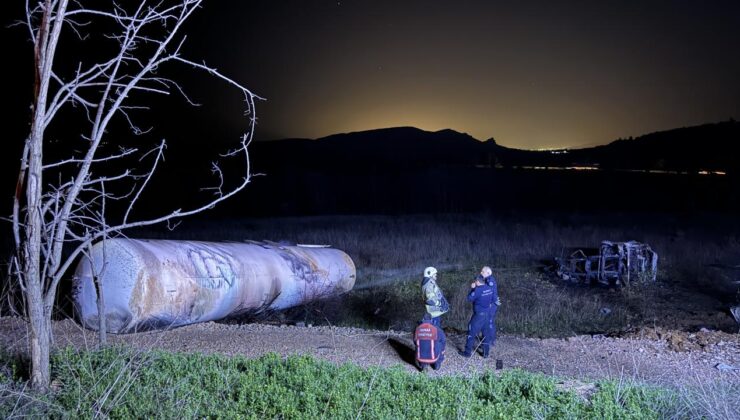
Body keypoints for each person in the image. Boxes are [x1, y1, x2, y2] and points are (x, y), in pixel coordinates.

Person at [459, 266, 498, 358]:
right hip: (487, 314)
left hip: (479, 316)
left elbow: (469, 298)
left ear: (477, 282)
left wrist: (473, 289)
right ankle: (486, 353)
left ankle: (467, 352)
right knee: (485, 333)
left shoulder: (478, 290)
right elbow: (494, 298)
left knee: (471, 332)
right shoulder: (489, 288)